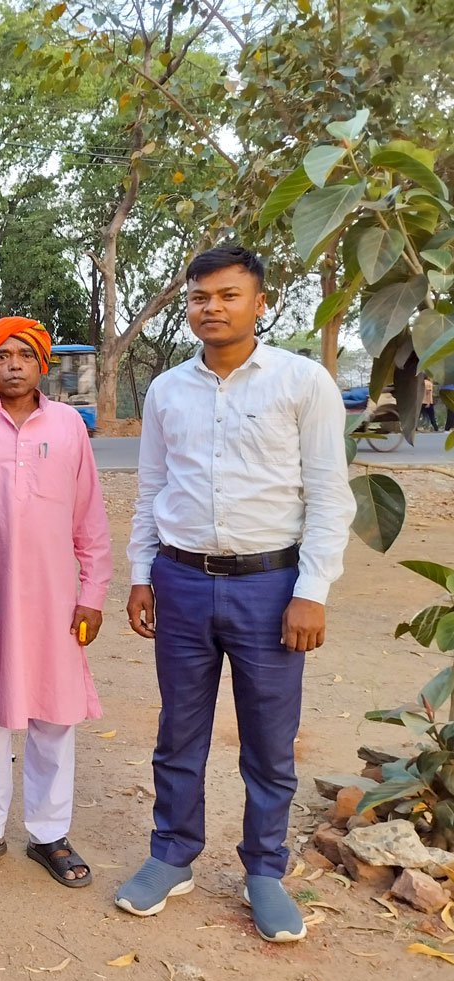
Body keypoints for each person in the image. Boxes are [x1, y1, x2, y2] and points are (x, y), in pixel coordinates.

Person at [117, 245, 356, 943]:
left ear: (260, 302)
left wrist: (311, 591)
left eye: (227, 295)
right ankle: (172, 854)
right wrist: (141, 572)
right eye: (200, 297)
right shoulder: (167, 391)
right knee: (179, 731)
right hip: (182, 581)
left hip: (271, 586)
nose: (211, 308)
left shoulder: (300, 382)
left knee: (269, 742)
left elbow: (328, 495)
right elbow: (153, 489)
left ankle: (263, 871)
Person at [0, 318, 111, 889]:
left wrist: (92, 594)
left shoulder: (68, 426)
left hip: (55, 600)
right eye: (1, 357)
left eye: (24, 355)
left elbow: (89, 517)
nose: (13, 364)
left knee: (54, 714)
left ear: (42, 364)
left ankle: (48, 833)